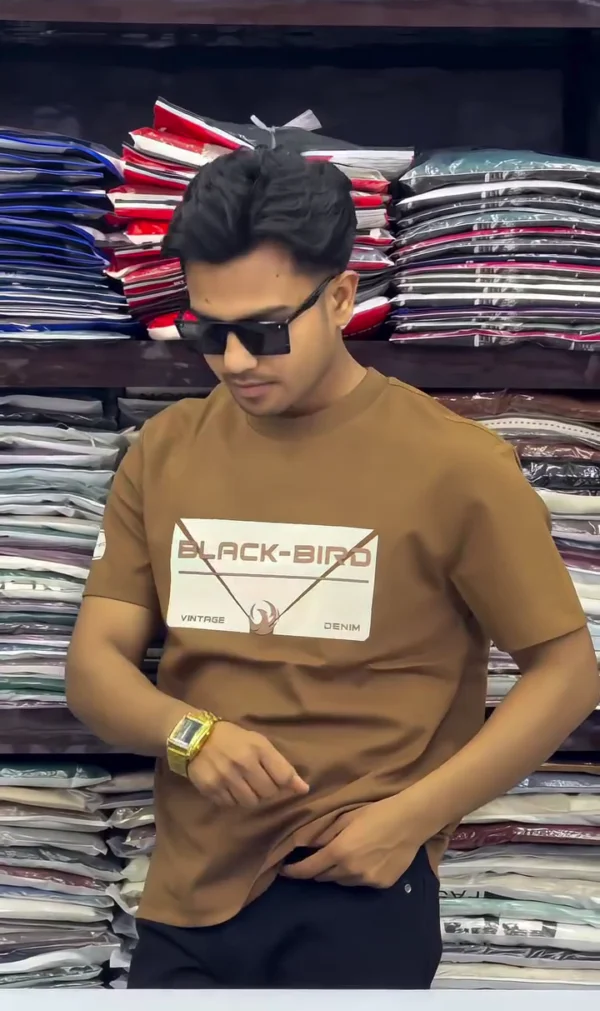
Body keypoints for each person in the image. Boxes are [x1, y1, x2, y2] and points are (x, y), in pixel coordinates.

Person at [66, 146, 600, 990]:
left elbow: (567, 673)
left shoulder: (453, 465)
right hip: (187, 893)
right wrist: (189, 734)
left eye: (265, 330)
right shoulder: (166, 450)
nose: (236, 360)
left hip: (360, 885)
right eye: (209, 331)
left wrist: (409, 822)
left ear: (343, 297)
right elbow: (94, 667)